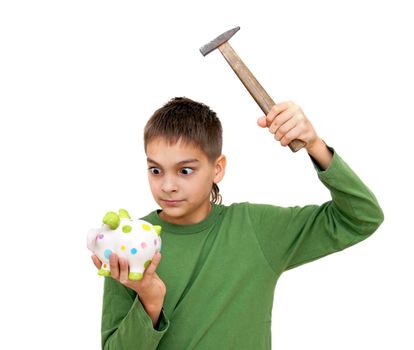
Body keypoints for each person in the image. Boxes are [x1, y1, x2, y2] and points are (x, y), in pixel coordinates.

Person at [91, 97, 384, 349]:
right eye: (155, 170)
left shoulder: (256, 229)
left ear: (217, 169)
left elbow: (361, 217)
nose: (167, 185)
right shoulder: (127, 245)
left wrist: (314, 145)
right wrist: (149, 302)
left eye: (185, 170)